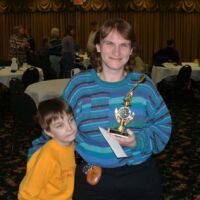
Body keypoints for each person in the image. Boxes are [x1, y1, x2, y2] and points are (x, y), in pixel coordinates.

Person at [28, 18, 172, 200]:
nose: (116, 51)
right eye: (109, 43)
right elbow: (56, 124)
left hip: (138, 174)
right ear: (98, 46)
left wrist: (138, 142)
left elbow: (163, 125)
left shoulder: (144, 85)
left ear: (131, 49)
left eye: (124, 45)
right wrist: (35, 159)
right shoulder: (79, 86)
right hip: (91, 176)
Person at [18, 98, 77, 200]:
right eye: (60, 125)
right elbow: (26, 194)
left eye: (70, 120)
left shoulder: (74, 145)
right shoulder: (47, 158)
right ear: (49, 132)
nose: (69, 128)